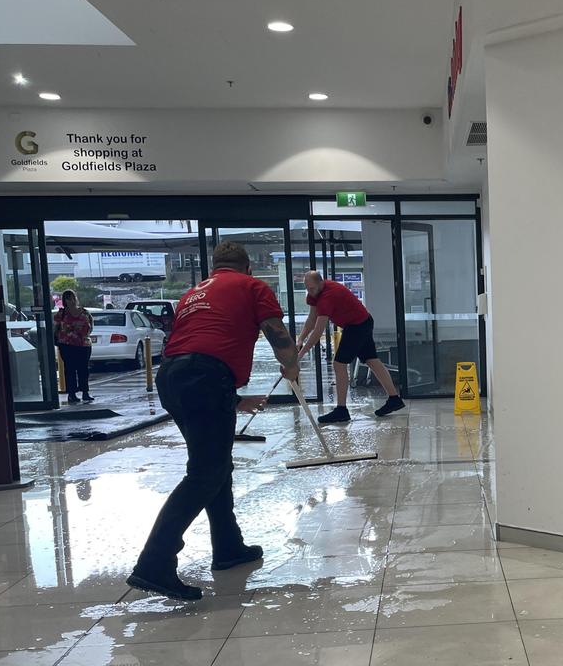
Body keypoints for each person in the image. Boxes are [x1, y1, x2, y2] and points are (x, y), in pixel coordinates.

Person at [128, 241, 300, 601]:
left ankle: (228, 547)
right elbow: (275, 331)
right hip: (204, 379)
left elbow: (196, 348)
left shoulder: (193, 293)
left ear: (213, 267)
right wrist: (292, 363)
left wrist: (232, 398)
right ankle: (154, 563)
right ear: (248, 267)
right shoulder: (252, 286)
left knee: (215, 467)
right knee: (205, 474)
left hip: (173, 378)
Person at [296, 270, 404, 423]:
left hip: (357, 325)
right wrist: (300, 339)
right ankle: (394, 399)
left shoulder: (328, 295)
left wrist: (300, 356)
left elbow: (318, 330)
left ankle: (341, 410)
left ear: (321, 283)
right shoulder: (315, 293)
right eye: (307, 288)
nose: (310, 292)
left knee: (339, 364)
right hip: (361, 322)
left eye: (312, 288)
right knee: (371, 360)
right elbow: (311, 319)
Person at [53, 290, 94, 404]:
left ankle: (85, 392)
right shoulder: (61, 314)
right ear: (64, 300)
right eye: (68, 298)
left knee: (83, 369)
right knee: (70, 370)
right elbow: (56, 328)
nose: (71, 300)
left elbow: (90, 326)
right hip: (67, 345)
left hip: (83, 345)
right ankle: (72, 394)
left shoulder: (85, 312)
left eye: (73, 298)